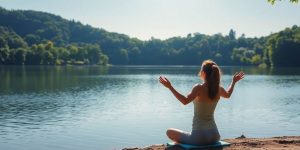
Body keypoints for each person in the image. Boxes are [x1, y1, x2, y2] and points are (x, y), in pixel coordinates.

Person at [159, 60, 245, 145]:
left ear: (203, 72)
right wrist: (233, 82)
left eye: (201, 70)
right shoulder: (218, 89)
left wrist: (170, 87)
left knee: (169, 131)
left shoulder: (198, 88)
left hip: (198, 139)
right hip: (215, 137)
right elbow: (228, 94)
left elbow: (184, 101)